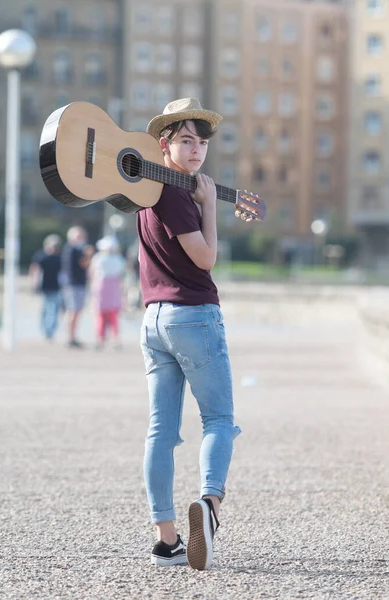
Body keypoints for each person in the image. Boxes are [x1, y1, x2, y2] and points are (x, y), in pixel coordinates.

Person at [137, 98, 242, 570]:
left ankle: (167, 541)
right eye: (185, 140)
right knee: (219, 420)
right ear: (165, 144)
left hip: (153, 318)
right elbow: (205, 258)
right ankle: (210, 508)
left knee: (161, 431)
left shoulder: (144, 188)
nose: (196, 149)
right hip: (193, 314)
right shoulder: (175, 193)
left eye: (201, 142)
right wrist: (210, 209)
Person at [89, 235, 126, 350]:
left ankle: (100, 339)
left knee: (101, 315)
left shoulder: (98, 258)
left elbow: (92, 273)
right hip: (114, 287)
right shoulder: (119, 259)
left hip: (101, 286)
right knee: (113, 316)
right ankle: (115, 339)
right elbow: (122, 273)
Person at [61, 226, 94, 348]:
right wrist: (88, 255)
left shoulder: (74, 250)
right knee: (73, 311)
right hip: (73, 284)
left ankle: (72, 336)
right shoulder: (72, 250)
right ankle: (70, 337)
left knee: (76, 311)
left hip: (78, 283)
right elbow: (84, 264)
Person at [29, 234, 63, 341]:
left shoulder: (59, 258)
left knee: (53, 309)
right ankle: (46, 329)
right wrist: (34, 283)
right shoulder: (41, 256)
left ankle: (50, 331)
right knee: (46, 309)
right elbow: (35, 270)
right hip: (44, 286)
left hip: (56, 287)